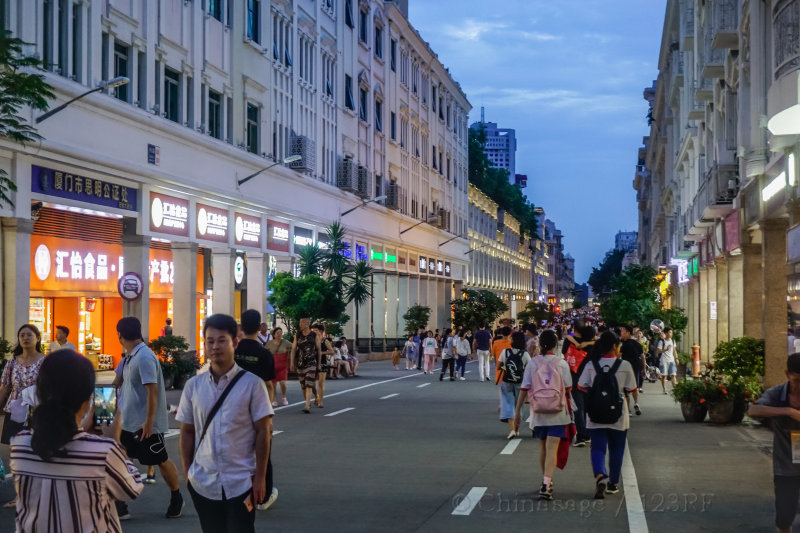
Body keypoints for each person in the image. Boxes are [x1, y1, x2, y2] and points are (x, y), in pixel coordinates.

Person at [10, 350, 143, 531]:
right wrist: (114, 440)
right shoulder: (104, 452)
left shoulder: (19, 445)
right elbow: (131, 488)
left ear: (39, 392)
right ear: (88, 401)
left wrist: (83, 432)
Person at [177, 314, 273, 533]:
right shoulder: (194, 386)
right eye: (210, 341)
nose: (215, 346)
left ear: (235, 343)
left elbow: (263, 432)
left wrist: (260, 478)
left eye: (222, 340)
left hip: (240, 482)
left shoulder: (253, 385)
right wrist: (188, 472)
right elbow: (187, 432)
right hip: (203, 483)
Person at [115, 316, 184, 520]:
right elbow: (116, 382)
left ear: (120, 334)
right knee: (120, 459)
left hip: (144, 424)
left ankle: (176, 498)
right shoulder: (129, 357)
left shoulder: (144, 357)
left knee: (160, 460)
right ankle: (120, 503)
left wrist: (149, 421)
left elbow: (152, 391)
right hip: (126, 423)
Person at [577, 331, 637, 499]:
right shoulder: (624, 365)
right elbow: (631, 389)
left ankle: (600, 475)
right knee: (617, 448)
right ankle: (613, 483)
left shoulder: (591, 364)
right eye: (619, 346)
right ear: (614, 346)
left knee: (597, 447)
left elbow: (581, 386)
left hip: (595, 413)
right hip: (619, 414)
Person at [514, 330, 572, 501]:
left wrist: (517, 412)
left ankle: (546, 480)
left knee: (542, 447)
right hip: (558, 412)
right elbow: (569, 389)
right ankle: (547, 482)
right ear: (555, 344)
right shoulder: (562, 363)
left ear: (540, 344)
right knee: (552, 448)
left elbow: (524, 388)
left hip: (538, 411)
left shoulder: (533, 363)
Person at [749, 353, 800, 533]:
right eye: (797, 380)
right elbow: (753, 410)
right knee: (785, 518)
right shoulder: (778, 393)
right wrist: (787, 411)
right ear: (787, 375)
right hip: (786, 467)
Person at [234, 310, 278, 512]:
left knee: (235, 451)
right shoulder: (264, 353)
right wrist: (269, 415)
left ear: (241, 326)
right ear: (260, 326)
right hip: (257, 410)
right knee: (263, 453)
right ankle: (265, 495)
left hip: (233, 408)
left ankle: (236, 492)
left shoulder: (233, 350)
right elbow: (268, 385)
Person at [500, 332, 531, 439]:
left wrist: (506, 367)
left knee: (508, 405)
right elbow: (530, 368)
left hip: (507, 382)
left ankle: (512, 430)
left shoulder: (505, 352)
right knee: (518, 407)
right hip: (520, 383)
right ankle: (517, 430)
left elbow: (499, 365)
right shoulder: (525, 354)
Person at [290, 318, 322, 413]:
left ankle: (307, 405)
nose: (300, 324)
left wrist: (319, 363)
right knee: (303, 385)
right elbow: (293, 349)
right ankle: (310, 400)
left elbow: (319, 350)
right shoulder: (298, 335)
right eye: (300, 322)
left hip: (311, 362)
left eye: (302, 323)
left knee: (308, 383)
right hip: (300, 363)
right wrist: (291, 363)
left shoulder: (314, 335)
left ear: (307, 324)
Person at [619, 325, 645, 416]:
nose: (621, 333)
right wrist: (644, 369)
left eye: (622, 331)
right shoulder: (637, 344)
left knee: (625, 389)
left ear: (628, 333)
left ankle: (628, 410)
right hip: (637, 367)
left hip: (626, 368)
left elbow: (618, 356)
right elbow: (643, 357)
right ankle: (636, 403)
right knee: (635, 387)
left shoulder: (623, 344)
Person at [266, 327, 292, 406]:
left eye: (280, 333)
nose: (279, 334)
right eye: (277, 333)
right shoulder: (269, 343)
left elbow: (293, 348)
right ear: (274, 334)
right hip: (272, 365)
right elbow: (265, 353)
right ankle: (274, 399)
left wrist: (290, 359)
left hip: (283, 365)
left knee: (283, 382)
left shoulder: (286, 342)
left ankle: (284, 397)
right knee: (273, 384)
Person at [312, 323, 334, 408]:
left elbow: (332, 351)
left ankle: (320, 401)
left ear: (321, 331)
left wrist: (322, 353)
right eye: (313, 330)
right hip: (313, 362)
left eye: (316, 330)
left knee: (321, 383)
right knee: (312, 383)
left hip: (323, 362)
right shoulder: (312, 340)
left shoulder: (325, 341)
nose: (314, 332)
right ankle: (316, 396)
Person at [657, 328, 677, 394]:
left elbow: (674, 350)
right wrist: (665, 349)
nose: (671, 334)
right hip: (664, 361)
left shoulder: (673, 341)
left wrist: (676, 358)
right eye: (670, 332)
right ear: (666, 333)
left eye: (671, 332)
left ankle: (675, 389)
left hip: (671, 360)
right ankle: (664, 389)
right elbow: (658, 351)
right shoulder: (661, 341)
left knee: (673, 375)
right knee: (664, 376)